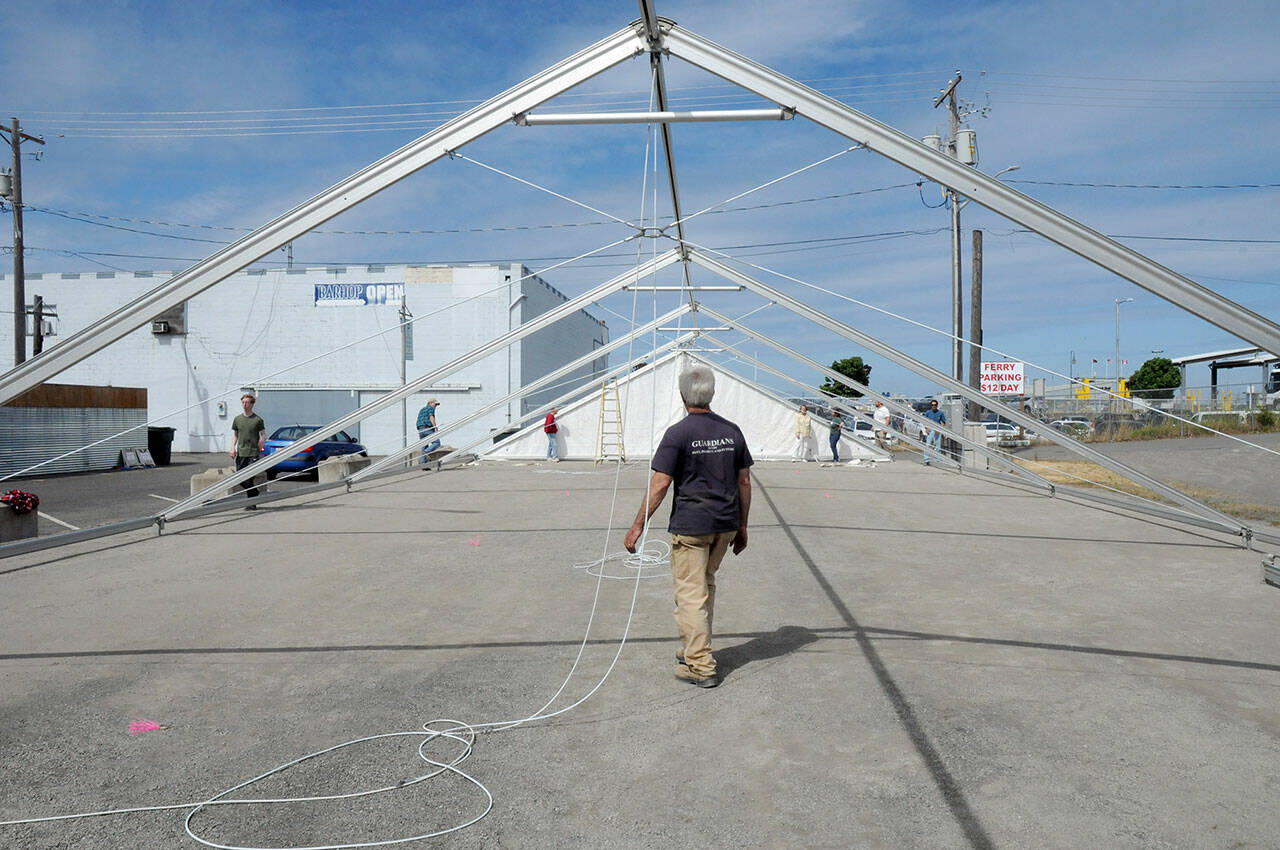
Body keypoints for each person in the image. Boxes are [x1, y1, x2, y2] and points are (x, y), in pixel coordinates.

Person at [624, 365, 752, 690]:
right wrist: (742, 526)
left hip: (693, 526)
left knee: (691, 594)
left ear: (683, 396)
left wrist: (638, 526)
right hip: (724, 524)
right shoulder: (732, 431)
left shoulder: (678, 433)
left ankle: (701, 666)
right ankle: (692, 648)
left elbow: (660, 483)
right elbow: (744, 482)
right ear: (712, 394)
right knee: (704, 585)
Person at [229, 393, 266, 509]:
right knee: (240, 479)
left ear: (252, 404)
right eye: (243, 402)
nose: (244, 405)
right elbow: (235, 435)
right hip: (241, 453)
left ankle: (251, 504)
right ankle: (254, 493)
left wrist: (262, 440)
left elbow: (264, 434)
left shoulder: (257, 420)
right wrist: (232, 448)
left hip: (253, 453)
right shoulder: (237, 419)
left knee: (248, 478)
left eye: (247, 402)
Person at [922, 399, 946, 465]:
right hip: (930, 430)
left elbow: (943, 422)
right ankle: (926, 460)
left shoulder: (940, 413)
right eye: (932, 405)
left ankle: (937, 460)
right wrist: (926, 428)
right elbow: (924, 421)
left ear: (937, 405)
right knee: (928, 445)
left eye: (935, 405)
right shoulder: (928, 412)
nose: (933, 406)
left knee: (937, 446)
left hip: (937, 430)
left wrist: (940, 429)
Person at [416, 398, 440, 464]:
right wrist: (435, 427)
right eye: (435, 404)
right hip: (427, 428)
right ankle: (427, 451)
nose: (435, 406)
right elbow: (431, 417)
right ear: (430, 403)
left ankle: (424, 465)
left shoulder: (422, 409)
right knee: (437, 442)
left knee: (424, 446)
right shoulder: (430, 408)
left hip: (420, 429)